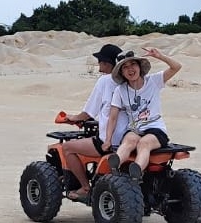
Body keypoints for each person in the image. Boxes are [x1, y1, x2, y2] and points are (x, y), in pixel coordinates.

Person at [61, 43, 129, 202]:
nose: (98, 64)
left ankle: (85, 187)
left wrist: (72, 118)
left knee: (67, 148)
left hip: (109, 142)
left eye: (100, 61)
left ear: (107, 63)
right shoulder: (130, 82)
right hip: (131, 140)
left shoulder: (105, 81)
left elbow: (87, 113)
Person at [102, 48, 182, 180]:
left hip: (155, 128)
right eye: (125, 67)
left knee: (144, 143)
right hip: (134, 128)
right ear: (122, 72)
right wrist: (108, 140)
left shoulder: (154, 81)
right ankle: (116, 164)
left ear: (139, 67)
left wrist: (160, 56)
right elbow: (113, 117)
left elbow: (176, 67)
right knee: (129, 141)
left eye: (133, 64)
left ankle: (136, 171)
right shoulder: (120, 90)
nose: (130, 69)